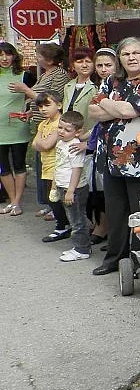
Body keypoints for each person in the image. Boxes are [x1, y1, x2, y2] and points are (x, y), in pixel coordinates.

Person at [88, 37, 140, 276]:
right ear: (119, 59)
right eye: (125, 54)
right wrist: (116, 107)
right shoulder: (112, 80)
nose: (131, 57)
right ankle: (114, 259)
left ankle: (137, 262)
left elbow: (130, 110)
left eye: (136, 53)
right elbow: (93, 112)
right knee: (115, 211)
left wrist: (106, 103)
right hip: (110, 159)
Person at [8, 42, 69, 218]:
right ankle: (48, 203)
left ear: (49, 59)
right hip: (39, 124)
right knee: (41, 165)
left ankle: (56, 206)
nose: (37, 58)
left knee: (50, 167)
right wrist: (28, 113)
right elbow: (40, 101)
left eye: (39, 55)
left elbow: (51, 100)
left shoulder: (59, 75)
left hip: (52, 125)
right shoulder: (44, 74)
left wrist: (25, 90)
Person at [0, 42, 36, 216]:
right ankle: (12, 199)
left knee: (19, 164)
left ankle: (16, 202)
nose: (4, 58)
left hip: (17, 128)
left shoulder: (25, 75)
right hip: (0, 130)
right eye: (0, 55)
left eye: (7, 54)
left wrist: (28, 109)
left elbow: (38, 97)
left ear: (14, 56)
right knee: (3, 167)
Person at [85, 48, 117, 245]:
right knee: (99, 189)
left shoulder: (122, 85)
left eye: (108, 65)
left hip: (119, 145)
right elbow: (93, 113)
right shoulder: (101, 86)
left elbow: (126, 111)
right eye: (100, 66)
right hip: (100, 142)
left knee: (113, 192)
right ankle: (104, 226)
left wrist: (106, 109)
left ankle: (111, 230)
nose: (104, 69)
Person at [31, 91, 70, 242]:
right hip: (46, 165)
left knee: (55, 198)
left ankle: (62, 226)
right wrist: (41, 142)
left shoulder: (61, 124)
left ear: (59, 105)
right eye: (40, 106)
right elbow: (35, 145)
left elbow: (45, 144)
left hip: (58, 166)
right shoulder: (43, 123)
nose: (43, 109)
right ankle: (63, 224)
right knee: (52, 198)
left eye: (48, 105)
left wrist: (41, 141)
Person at [54, 111, 92, 262]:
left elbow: (76, 169)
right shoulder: (61, 142)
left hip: (74, 188)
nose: (62, 132)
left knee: (77, 220)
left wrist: (70, 191)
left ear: (78, 132)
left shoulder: (75, 146)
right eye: (60, 128)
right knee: (74, 217)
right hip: (62, 185)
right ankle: (81, 245)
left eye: (67, 130)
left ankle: (81, 249)